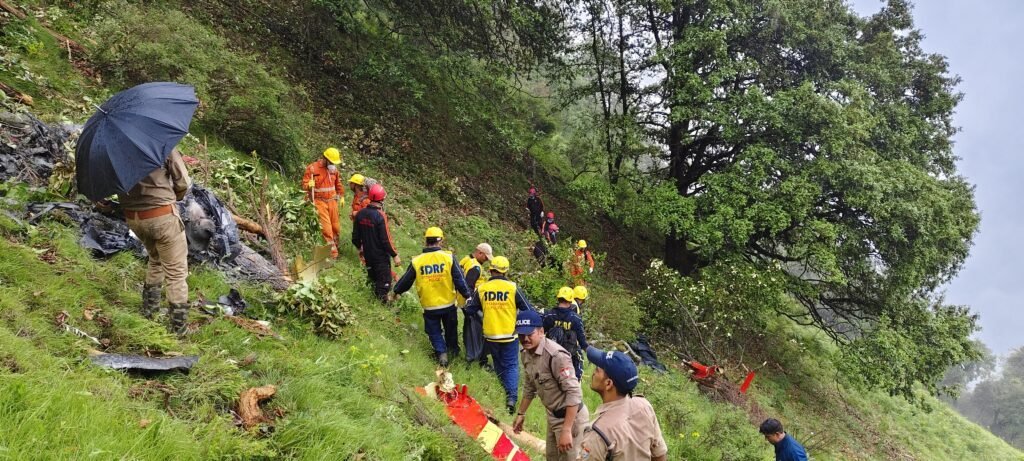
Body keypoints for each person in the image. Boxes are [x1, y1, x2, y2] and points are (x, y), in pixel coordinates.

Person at [124, 147, 192, 335]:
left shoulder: (113, 152)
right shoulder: (160, 143)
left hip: (135, 218)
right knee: (177, 272)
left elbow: (104, 195)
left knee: (156, 259)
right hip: (162, 215)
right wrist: (173, 196)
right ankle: (179, 329)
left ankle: (149, 311)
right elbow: (183, 182)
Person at [513, 310, 589, 461]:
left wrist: (567, 430)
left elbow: (574, 392)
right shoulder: (525, 353)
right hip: (552, 416)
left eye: (530, 334)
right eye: (521, 335)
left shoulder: (556, 355)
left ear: (541, 332)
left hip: (570, 419)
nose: (525, 339)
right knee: (552, 457)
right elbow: (530, 385)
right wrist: (521, 413)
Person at [465, 256, 535, 414]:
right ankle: (511, 397)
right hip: (509, 333)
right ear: (506, 271)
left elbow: (469, 309)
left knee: (497, 362)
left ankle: (504, 389)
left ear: (491, 269)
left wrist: (480, 312)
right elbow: (527, 309)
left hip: (491, 334)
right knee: (511, 365)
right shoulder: (512, 288)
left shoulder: (482, 288)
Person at [393, 227, 472, 367]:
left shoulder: (418, 261)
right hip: (448, 303)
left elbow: (406, 280)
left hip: (429, 305)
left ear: (426, 241)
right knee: (451, 330)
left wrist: (396, 291)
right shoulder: (448, 257)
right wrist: (467, 296)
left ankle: (441, 353)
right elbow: (459, 279)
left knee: (434, 331)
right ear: (440, 240)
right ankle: (453, 351)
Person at [576, 346, 668, 461]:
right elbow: (659, 455)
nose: (593, 372)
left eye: (597, 369)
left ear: (608, 384)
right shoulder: (644, 406)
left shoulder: (597, 435)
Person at [351, 183, 401, 301]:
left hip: (367, 254)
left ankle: (374, 300)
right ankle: (384, 303)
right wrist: (395, 255)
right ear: (382, 199)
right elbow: (386, 239)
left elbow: (355, 236)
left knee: (374, 279)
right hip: (380, 256)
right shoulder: (380, 216)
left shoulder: (360, 213)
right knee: (383, 283)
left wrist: (360, 248)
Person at [302, 147, 346, 258]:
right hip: (319, 202)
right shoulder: (312, 169)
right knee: (326, 229)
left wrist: (341, 196)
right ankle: (333, 254)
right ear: (325, 159)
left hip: (332, 202)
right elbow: (304, 184)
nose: (333, 164)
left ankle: (336, 246)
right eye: (331, 162)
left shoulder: (334, 170)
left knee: (336, 228)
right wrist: (308, 185)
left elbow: (338, 184)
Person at [457, 243, 494, 368]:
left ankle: (474, 356)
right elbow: (469, 285)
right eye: (485, 257)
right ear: (479, 253)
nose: (486, 261)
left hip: (464, 302)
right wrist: (472, 301)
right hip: (472, 304)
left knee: (471, 328)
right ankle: (475, 358)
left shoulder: (466, 260)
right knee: (477, 330)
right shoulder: (476, 267)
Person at [544, 287, 589, 381]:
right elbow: (582, 340)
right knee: (576, 372)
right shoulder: (575, 318)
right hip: (571, 353)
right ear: (570, 300)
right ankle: (574, 387)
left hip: (551, 353)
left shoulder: (549, 315)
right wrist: (589, 351)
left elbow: (542, 333)